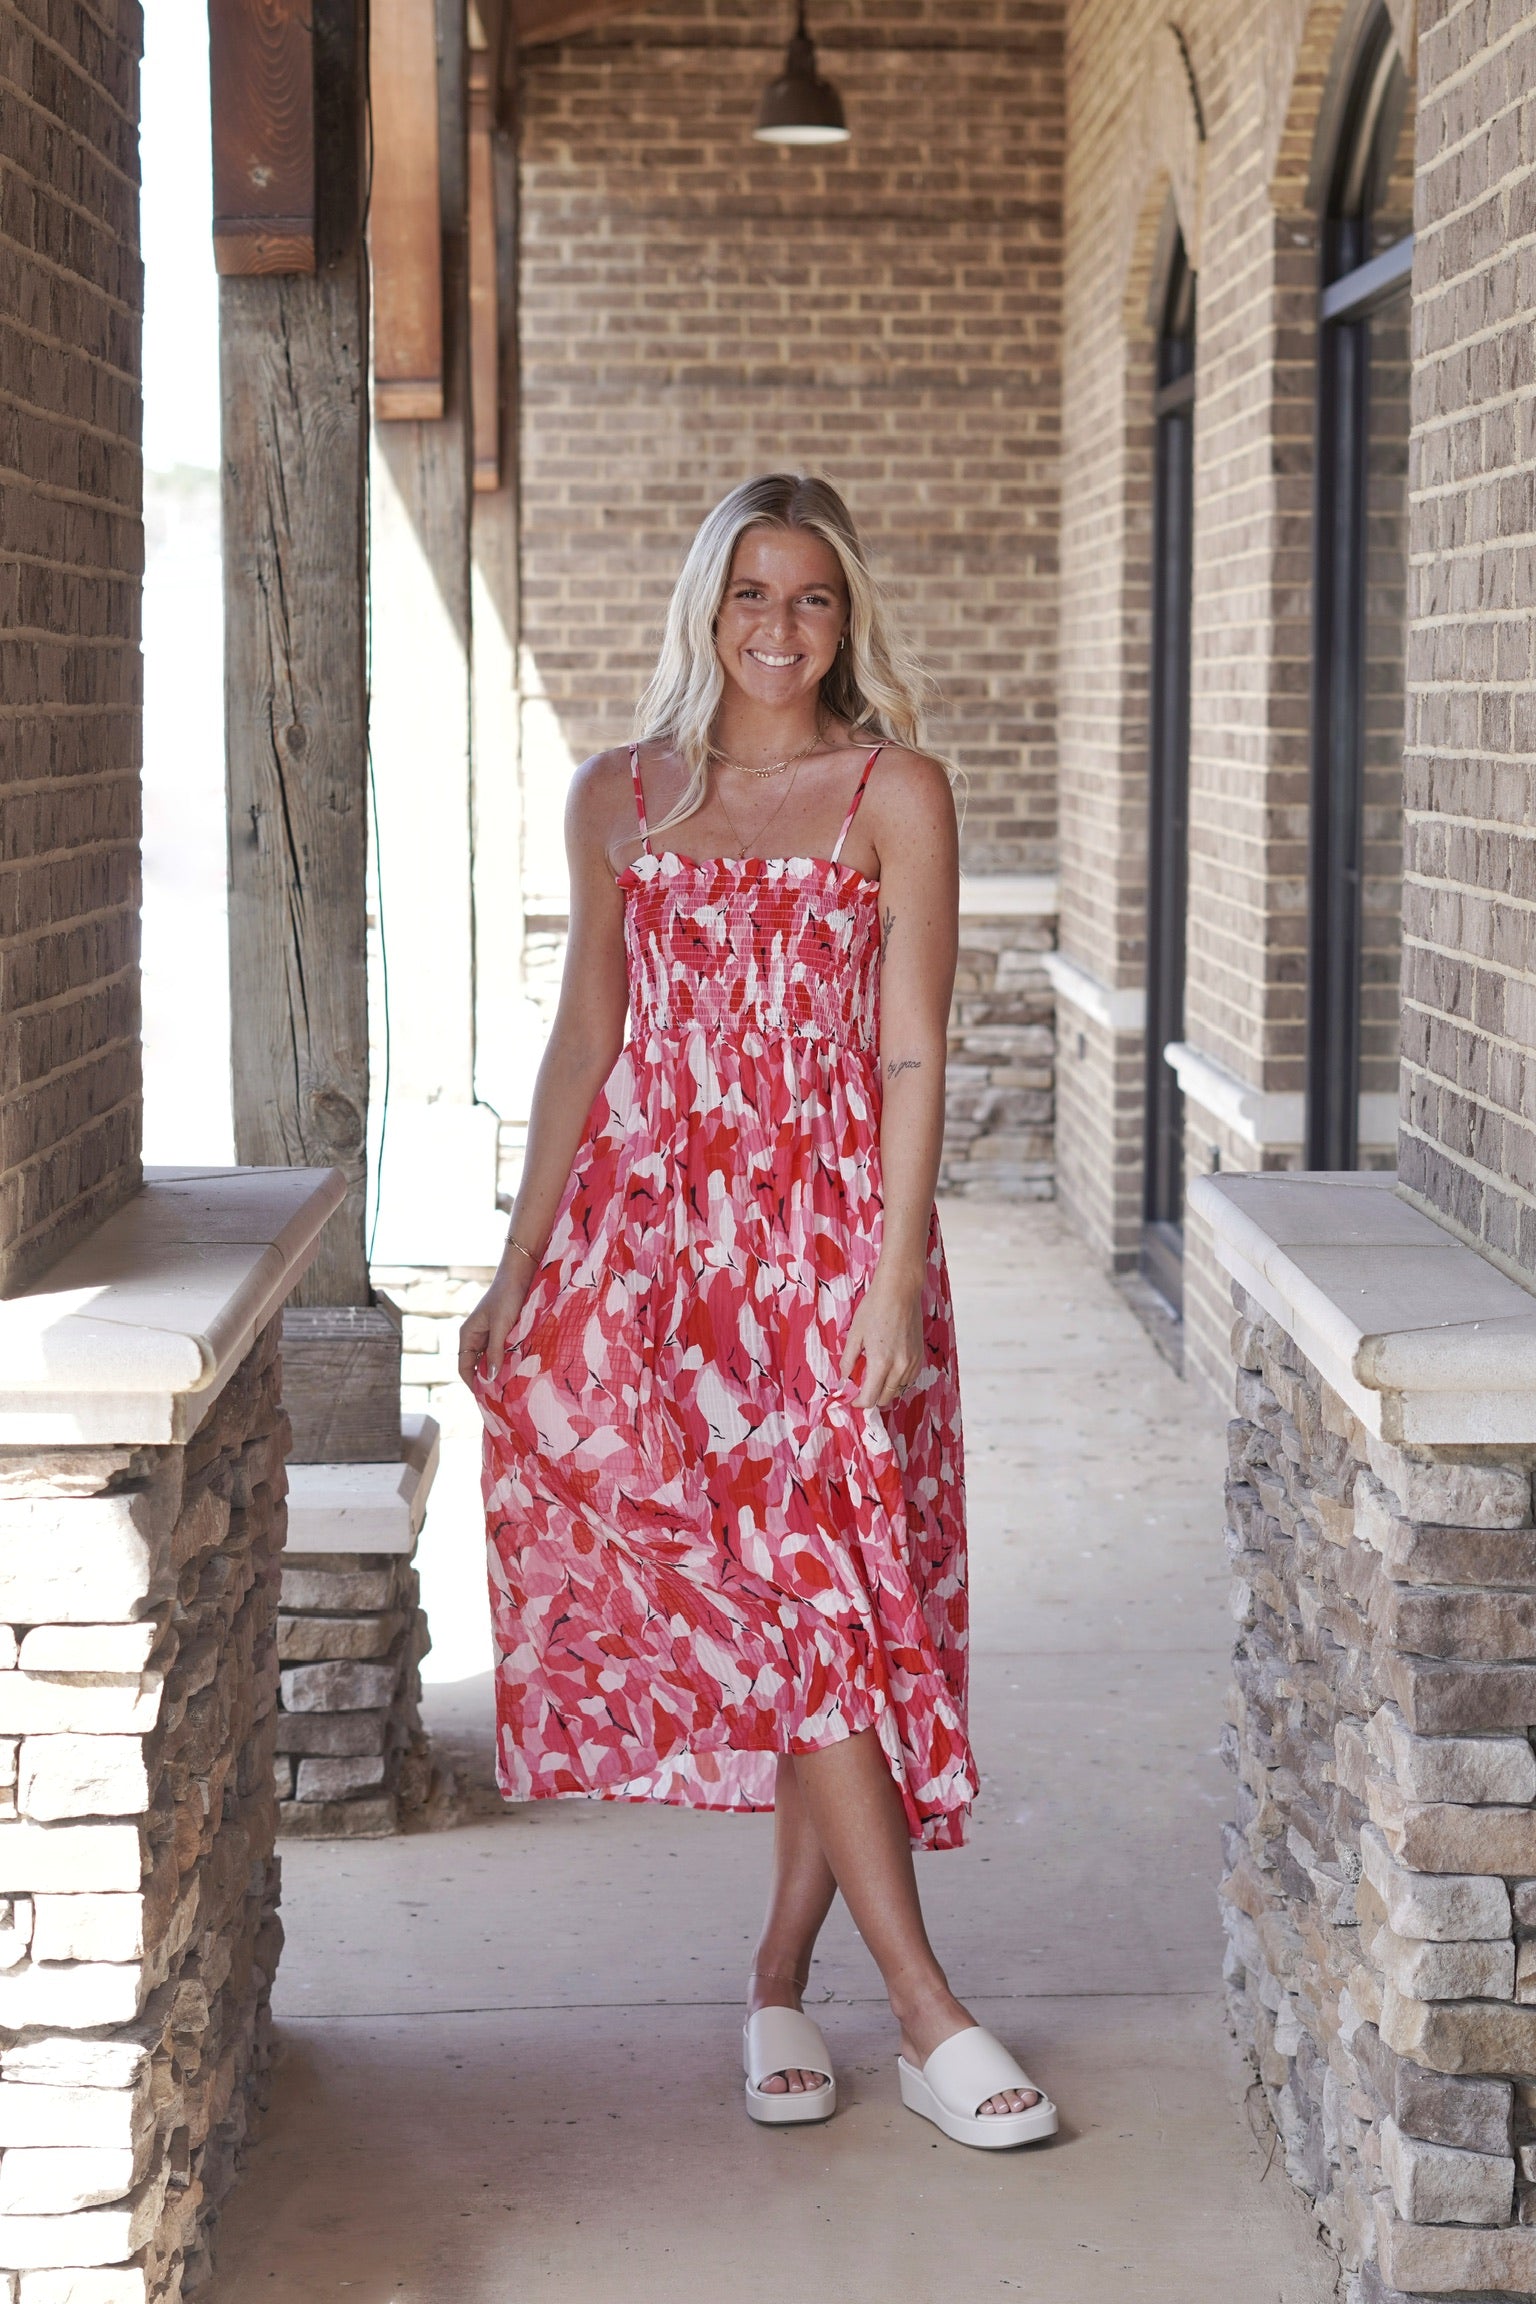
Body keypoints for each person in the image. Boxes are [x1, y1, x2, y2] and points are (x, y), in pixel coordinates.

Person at [459, 473, 1056, 2151]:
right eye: (751, 597)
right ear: (704, 611)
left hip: (830, 1261)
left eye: (810, 600)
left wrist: (888, 1278)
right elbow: (585, 1046)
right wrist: (517, 1273)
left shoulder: (893, 791)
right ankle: (830, 1987)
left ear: (845, 615)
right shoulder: (619, 798)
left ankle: (870, 1994)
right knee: (797, 1617)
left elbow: (914, 1049)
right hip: (661, 1266)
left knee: (829, 1607)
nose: (779, 630)